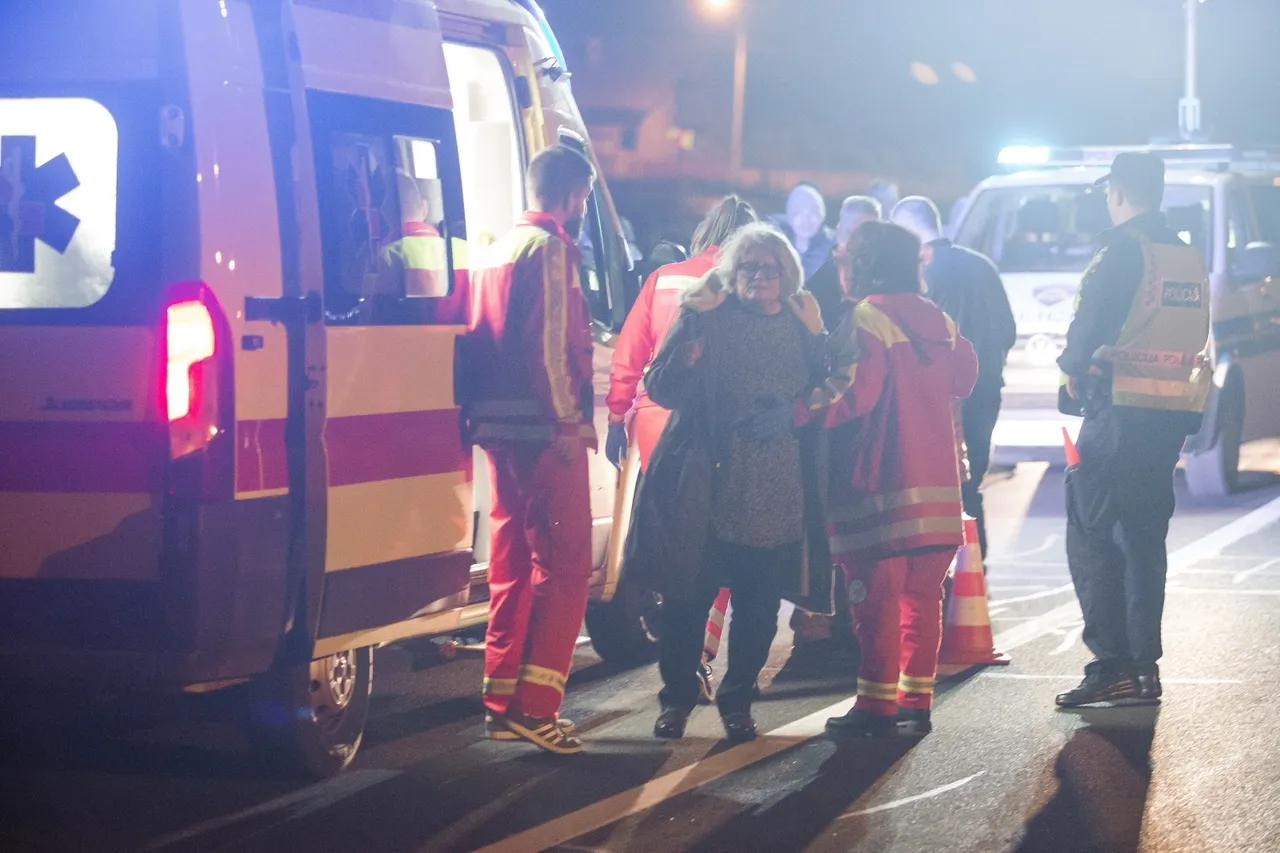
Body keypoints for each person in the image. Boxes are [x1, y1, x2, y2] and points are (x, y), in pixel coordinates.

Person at [626, 223, 833, 743]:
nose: (760, 277)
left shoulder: (803, 324)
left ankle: (738, 700)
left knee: (759, 607)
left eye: (771, 269)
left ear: (787, 276)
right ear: (731, 272)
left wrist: (793, 415)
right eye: (749, 267)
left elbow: (827, 388)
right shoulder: (706, 317)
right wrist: (686, 359)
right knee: (686, 602)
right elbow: (660, 387)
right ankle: (675, 700)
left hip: (776, 481)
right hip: (707, 478)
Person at [780, 221, 978, 737]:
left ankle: (874, 709)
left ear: (863, 264)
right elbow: (966, 377)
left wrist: (795, 413)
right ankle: (917, 702)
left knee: (875, 603)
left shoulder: (867, 318)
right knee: (923, 601)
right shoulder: (939, 318)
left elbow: (851, 395)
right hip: (937, 493)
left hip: (881, 490)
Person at [1054, 152, 1210, 709]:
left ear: (1117, 191)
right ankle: (1144, 670)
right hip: (1166, 420)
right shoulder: (1186, 255)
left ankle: (1111, 665)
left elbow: (1088, 326)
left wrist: (1073, 366)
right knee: (1144, 541)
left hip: (1116, 415)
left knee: (1094, 539)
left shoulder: (1121, 251)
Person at [462, 145, 599, 754]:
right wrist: (567, 421)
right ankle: (537, 706)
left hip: (498, 428)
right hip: (543, 433)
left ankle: (501, 702)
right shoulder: (550, 250)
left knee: (510, 564)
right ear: (572, 196)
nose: (585, 207)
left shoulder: (497, 248)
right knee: (565, 567)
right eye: (586, 197)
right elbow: (548, 343)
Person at [605, 195, 759, 702]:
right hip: (719, 431)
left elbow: (630, 353)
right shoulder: (749, 283)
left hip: (656, 426)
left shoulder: (664, 277)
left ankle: (680, 654)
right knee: (719, 543)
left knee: (675, 542)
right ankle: (698, 656)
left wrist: (616, 417)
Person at [892, 196, 1016, 559]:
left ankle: (943, 570)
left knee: (933, 486)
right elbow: (1006, 329)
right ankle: (974, 570)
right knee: (971, 481)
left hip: (938, 398)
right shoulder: (982, 267)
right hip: (986, 389)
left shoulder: (918, 273)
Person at [806, 196, 883, 329]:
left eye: (867, 236)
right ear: (838, 232)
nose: (858, 242)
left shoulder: (892, 281)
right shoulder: (820, 280)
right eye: (851, 233)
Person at [769, 183, 836, 282]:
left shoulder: (833, 246)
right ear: (789, 216)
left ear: (822, 215)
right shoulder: (776, 244)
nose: (806, 220)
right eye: (798, 212)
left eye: (813, 212)